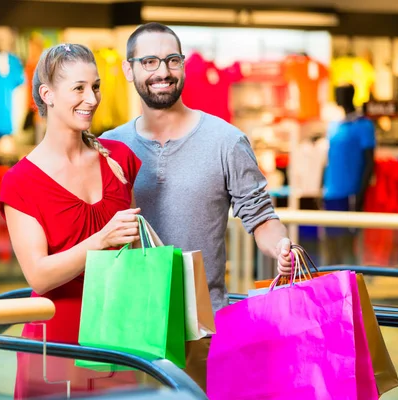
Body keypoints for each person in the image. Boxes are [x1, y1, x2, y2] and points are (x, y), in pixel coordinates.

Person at [101, 22, 293, 391]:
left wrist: (281, 246)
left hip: (200, 328)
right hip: (128, 323)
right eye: (150, 61)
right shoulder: (111, 145)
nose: (163, 72)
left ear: (184, 66)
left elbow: (261, 217)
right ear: (129, 70)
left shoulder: (226, 141)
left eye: (172, 60)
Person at [0, 43, 142, 399]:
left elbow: (135, 246)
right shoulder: (21, 181)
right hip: (56, 339)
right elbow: (39, 275)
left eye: (95, 87)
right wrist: (101, 240)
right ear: (47, 94)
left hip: (119, 334)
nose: (91, 99)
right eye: (78, 88)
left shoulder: (119, 160)